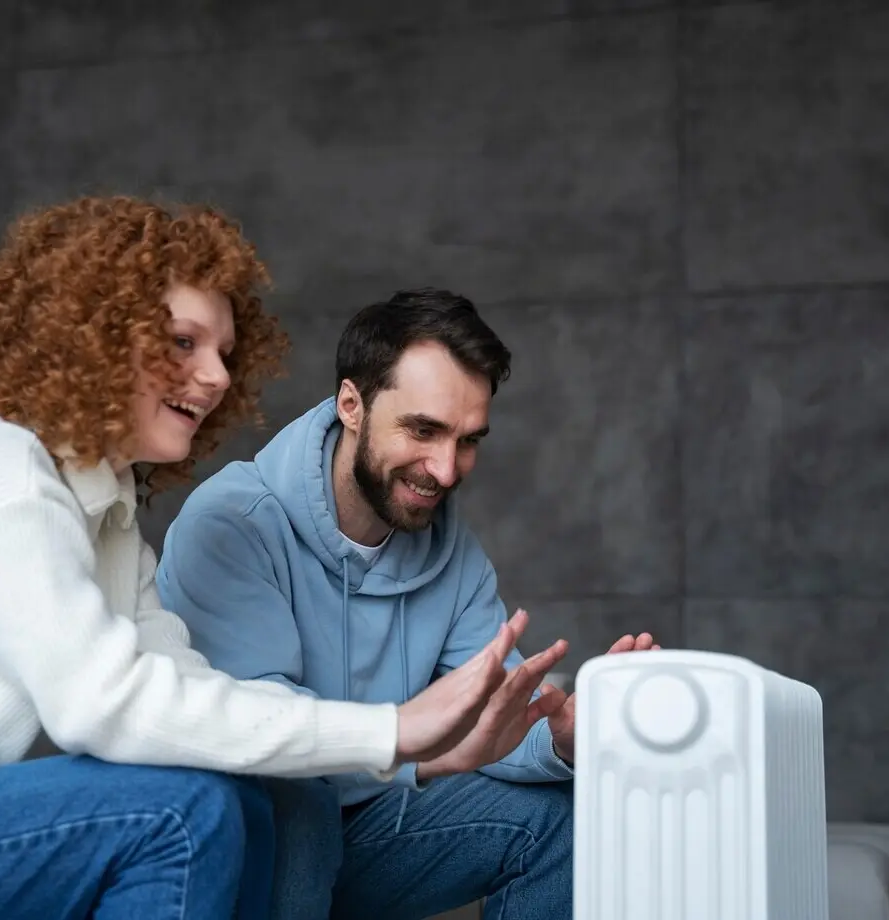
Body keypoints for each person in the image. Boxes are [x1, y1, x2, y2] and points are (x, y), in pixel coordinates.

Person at [0, 202, 565, 920]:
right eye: (182, 341)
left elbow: (197, 694)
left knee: (230, 802)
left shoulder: (101, 509)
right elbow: (100, 706)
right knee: (184, 811)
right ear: (91, 338)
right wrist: (392, 731)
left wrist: (429, 750)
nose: (214, 376)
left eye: (224, 352)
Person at [155, 287, 657, 920]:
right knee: (300, 800)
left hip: (369, 829)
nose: (446, 471)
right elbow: (261, 733)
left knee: (561, 819)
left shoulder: (452, 554)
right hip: (242, 843)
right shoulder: (232, 525)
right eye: (424, 430)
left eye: (468, 440)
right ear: (351, 405)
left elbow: (490, 726)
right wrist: (416, 750)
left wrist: (562, 738)